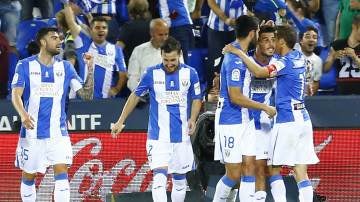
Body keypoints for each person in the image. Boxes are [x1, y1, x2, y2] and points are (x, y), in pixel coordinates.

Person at [224, 24, 319, 202]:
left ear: (282, 41)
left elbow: (260, 72)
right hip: (304, 119)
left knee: (273, 168)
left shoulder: (284, 62)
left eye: (275, 39)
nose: (272, 43)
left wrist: (238, 53)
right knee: (300, 171)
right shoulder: (298, 56)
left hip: (287, 120)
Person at [111, 37, 202, 202]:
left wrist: (193, 119)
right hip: (158, 138)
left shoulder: (191, 73)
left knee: (180, 182)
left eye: (173, 60)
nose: (169, 64)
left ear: (180, 55)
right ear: (161, 55)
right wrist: (120, 121)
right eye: (166, 60)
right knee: (159, 179)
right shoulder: (151, 73)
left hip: (181, 136)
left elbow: (197, 98)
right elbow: (134, 96)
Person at [11, 27, 94, 202]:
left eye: (60, 38)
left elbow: (86, 95)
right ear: (43, 42)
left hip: (58, 132)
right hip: (32, 133)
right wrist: (23, 115)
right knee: (29, 176)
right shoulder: (25, 65)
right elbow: (15, 94)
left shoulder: (66, 67)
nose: (59, 41)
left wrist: (90, 69)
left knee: (62, 172)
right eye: (54, 38)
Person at [212, 15, 276, 202]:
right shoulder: (234, 59)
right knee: (233, 174)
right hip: (230, 119)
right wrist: (264, 106)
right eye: (258, 31)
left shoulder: (240, 52)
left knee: (250, 167)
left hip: (245, 120)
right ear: (252, 33)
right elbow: (236, 96)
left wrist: (263, 25)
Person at [64, 3, 127, 98]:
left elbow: (123, 73)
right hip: (82, 100)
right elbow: (71, 22)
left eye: (104, 28)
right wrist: (65, 3)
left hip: (105, 101)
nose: (101, 30)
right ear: (91, 30)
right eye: (97, 28)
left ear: (107, 30)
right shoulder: (83, 44)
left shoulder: (116, 50)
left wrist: (116, 89)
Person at [248, 25, 277, 202]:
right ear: (257, 41)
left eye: (273, 40)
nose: (271, 44)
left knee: (266, 169)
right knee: (249, 170)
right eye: (266, 40)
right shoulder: (245, 62)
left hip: (268, 127)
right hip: (247, 125)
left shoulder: (279, 64)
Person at [127, 18, 185, 92]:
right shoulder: (139, 50)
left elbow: (181, 73)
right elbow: (133, 77)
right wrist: (142, 93)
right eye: (160, 35)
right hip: (145, 96)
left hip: (169, 94)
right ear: (151, 33)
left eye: (166, 34)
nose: (164, 38)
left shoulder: (175, 51)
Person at [324, 14, 360, 95]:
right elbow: (325, 69)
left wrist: (355, 57)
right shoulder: (337, 45)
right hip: (342, 95)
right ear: (354, 26)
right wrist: (333, 57)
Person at [297, 26, 323, 96]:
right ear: (301, 40)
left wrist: (309, 95)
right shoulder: (292, 55)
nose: (311, 40)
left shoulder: (318, 61)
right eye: (307, 37)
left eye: (314, 37)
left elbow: (316, 82)